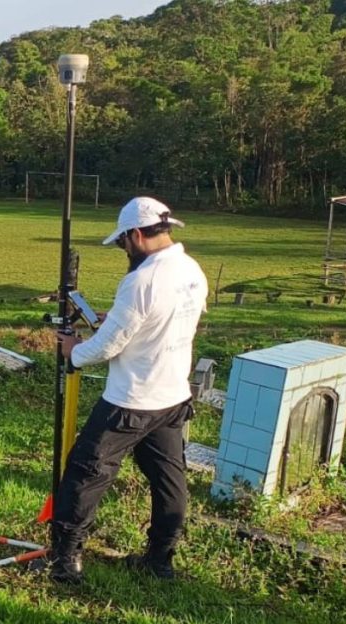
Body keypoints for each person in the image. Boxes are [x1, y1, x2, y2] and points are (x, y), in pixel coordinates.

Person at [50, 196, 208, 583]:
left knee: (86, 473)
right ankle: (160, 561)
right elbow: (166, 320)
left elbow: (107, 347)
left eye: (122, 243)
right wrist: (116, 319)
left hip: (131, 400)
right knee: (169, 480)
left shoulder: (140, 280)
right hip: (172, 397)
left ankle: (65, 562)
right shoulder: (191, 270)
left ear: (136, 235)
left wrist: (74, 353)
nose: (124, 251)